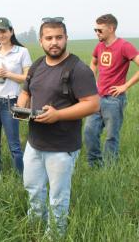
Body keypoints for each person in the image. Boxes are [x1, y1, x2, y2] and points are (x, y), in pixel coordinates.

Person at [17, 17, 99, 235]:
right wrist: (21, 108)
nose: (54, 42)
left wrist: (58, 115)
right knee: (33, 189)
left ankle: (54, 235)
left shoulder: (78, 69)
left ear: (66, 39)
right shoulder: (37, 65)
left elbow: (92, 104)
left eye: (59, 37)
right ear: (41, 41)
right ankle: (34, 228)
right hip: (34, 144)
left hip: (62, 147)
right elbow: (26, 91)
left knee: (58, 197)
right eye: (49, 38)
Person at [84, 14, 139, 167]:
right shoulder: (99, 46)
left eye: (100, 30)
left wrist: (125, 86)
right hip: (97, 97)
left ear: (111, 28)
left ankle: (109, 168)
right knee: (89, 132)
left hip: (114, 100)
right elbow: (93, 63)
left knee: (111, 137)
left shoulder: (124, 46)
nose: (97, 33)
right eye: (95, 30)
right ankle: (94, 165)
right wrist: (92, 82)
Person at [0, 17, 32, 174]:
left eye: (3, 31)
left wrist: (8, 74)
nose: (0, 35)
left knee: (14, 144)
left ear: (11, 31)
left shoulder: (22, 52)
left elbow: (28, 77)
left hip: (11, 102)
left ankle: (21, 175)